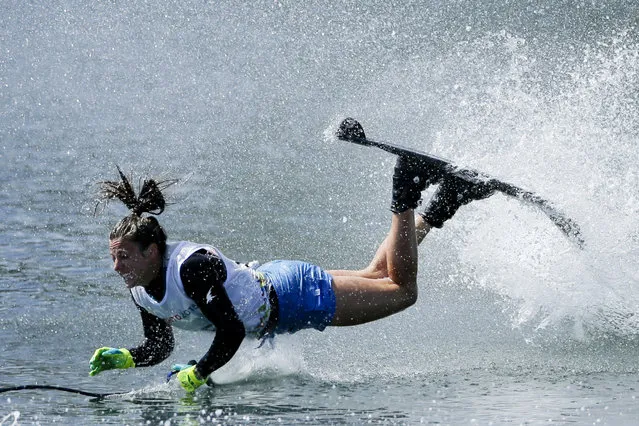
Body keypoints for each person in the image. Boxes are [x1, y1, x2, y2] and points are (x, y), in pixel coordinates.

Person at [89, 156, 493, 392]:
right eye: (114, 258)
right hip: (277, 283)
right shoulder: (141, 288)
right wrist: (125, 358)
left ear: (152, 251)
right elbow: (159, 346)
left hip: (293, 297)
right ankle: (448, 199)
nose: (117, 267)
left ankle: (406, 190)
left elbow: (229, 331)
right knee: (376, 273)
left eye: (124, 257)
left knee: (401, 290)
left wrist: (200, 372)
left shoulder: (190, 269)